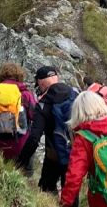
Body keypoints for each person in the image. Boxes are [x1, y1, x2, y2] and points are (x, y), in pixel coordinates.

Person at [19, 65, 76, 193]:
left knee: (47, 189)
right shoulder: (74, 94)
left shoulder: (43, 104)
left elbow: (34, 138)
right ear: (57, 77)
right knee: (70, 193)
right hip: (75, 153)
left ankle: (50, 201)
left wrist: (20, 162)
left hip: (53, 155)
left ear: (41, 83)